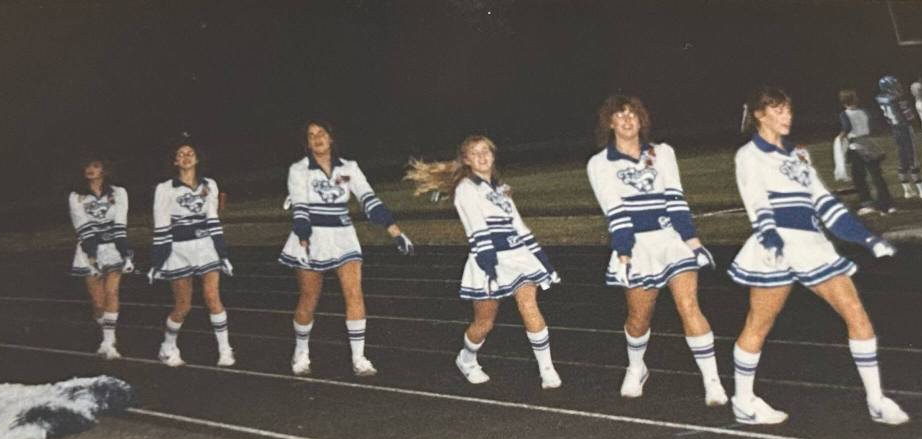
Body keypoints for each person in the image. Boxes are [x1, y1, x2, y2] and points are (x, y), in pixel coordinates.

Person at [727, 86, 909, 425]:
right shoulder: (749, 156)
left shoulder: (799, 154)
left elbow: (824, 203)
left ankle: (876, 400)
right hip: (776, 246)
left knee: (855, 312)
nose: (787, 116)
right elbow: (757, 205)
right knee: (759, 324)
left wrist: (868, 238)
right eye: (778, 110)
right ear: (759, 115)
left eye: (788, 110)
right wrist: (770, 241)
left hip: (812, 245)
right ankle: (743, 400)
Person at [586, 95, 727, 405]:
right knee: (639, 318)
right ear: (609, 122)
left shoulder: (662, 153)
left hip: (670, 239)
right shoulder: (600, 163)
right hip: (636, 244)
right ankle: (637, 367)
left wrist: (693, 242)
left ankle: (712, 381)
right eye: (619, 115)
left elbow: (676, 200)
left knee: (689, 305)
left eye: (632, 114)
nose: (627, 120)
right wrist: (623, 253)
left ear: (641, 120)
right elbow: (615, 211)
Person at [406, 135, 562, 389]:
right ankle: (466, 359)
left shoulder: (501, 189)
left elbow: (520, 227)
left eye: (486, 151)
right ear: (466, 160)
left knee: (528, 304)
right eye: (474, 153)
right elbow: (476, 230)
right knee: (484, 322)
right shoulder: (466, 189)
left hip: (518, 256)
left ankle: (547, 369)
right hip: (488, 258)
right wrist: (490, 267)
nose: (482, 156)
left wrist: (544, 261)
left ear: (493, 154)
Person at [279, 120, 415, 377]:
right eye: (311, 135)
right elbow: (299, 205)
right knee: (309, 298)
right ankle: (301, 351)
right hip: (311, 235)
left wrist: (394, 230)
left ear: (331, 138)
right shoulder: (298, 169)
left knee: (354, 294)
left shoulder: (349, 167)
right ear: (307, 143)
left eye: (322, 133)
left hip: (343, 235)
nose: (317, 138)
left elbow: (369, 199)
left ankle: (359, 357)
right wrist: (304, 234)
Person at [149, 142, 235, 367]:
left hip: (206, 247)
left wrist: (222, 253)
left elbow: (213, 220)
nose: (186, 157)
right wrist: (158, 261)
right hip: (178, 250)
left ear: (197, 159)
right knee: (183, 305)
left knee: (212, 298)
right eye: (181, 154)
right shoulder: (165, 188)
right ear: (175, 161)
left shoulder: (210, 185)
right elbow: (161, 226)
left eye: (190, 153)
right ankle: (168, 345)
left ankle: (225, 350)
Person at [68, 156, 134, 359]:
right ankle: (105, 330)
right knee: (98, 303)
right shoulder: (76, 196)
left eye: (95, 166)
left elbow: (120, 224)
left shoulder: (118, 193)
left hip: (113, 247)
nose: (90, 170)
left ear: (104, 170)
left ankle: (109, 341)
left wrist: (125, 253)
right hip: (89, 249)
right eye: (87, 166)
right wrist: (92, 256)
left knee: (111, 293)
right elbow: (82, 226)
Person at [875, 75, 922, 199]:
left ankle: (907, 190)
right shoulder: (898, 98)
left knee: (902, 157)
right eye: (895, 84)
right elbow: (909, 116)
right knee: (913, 157)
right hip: (904, 128)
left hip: (894, 129)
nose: (898, 86)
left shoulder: (880, 98)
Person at [836, 89, 895, 215]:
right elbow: (871, 125)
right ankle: (886, 203)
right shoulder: (864, 112)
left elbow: (847, 128)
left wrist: (840, 137)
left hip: (856, 145)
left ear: (843, 103)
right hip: (869, 143)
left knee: (859, 177)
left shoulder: (844, 114)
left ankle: (866, 203)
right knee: (877, 176)